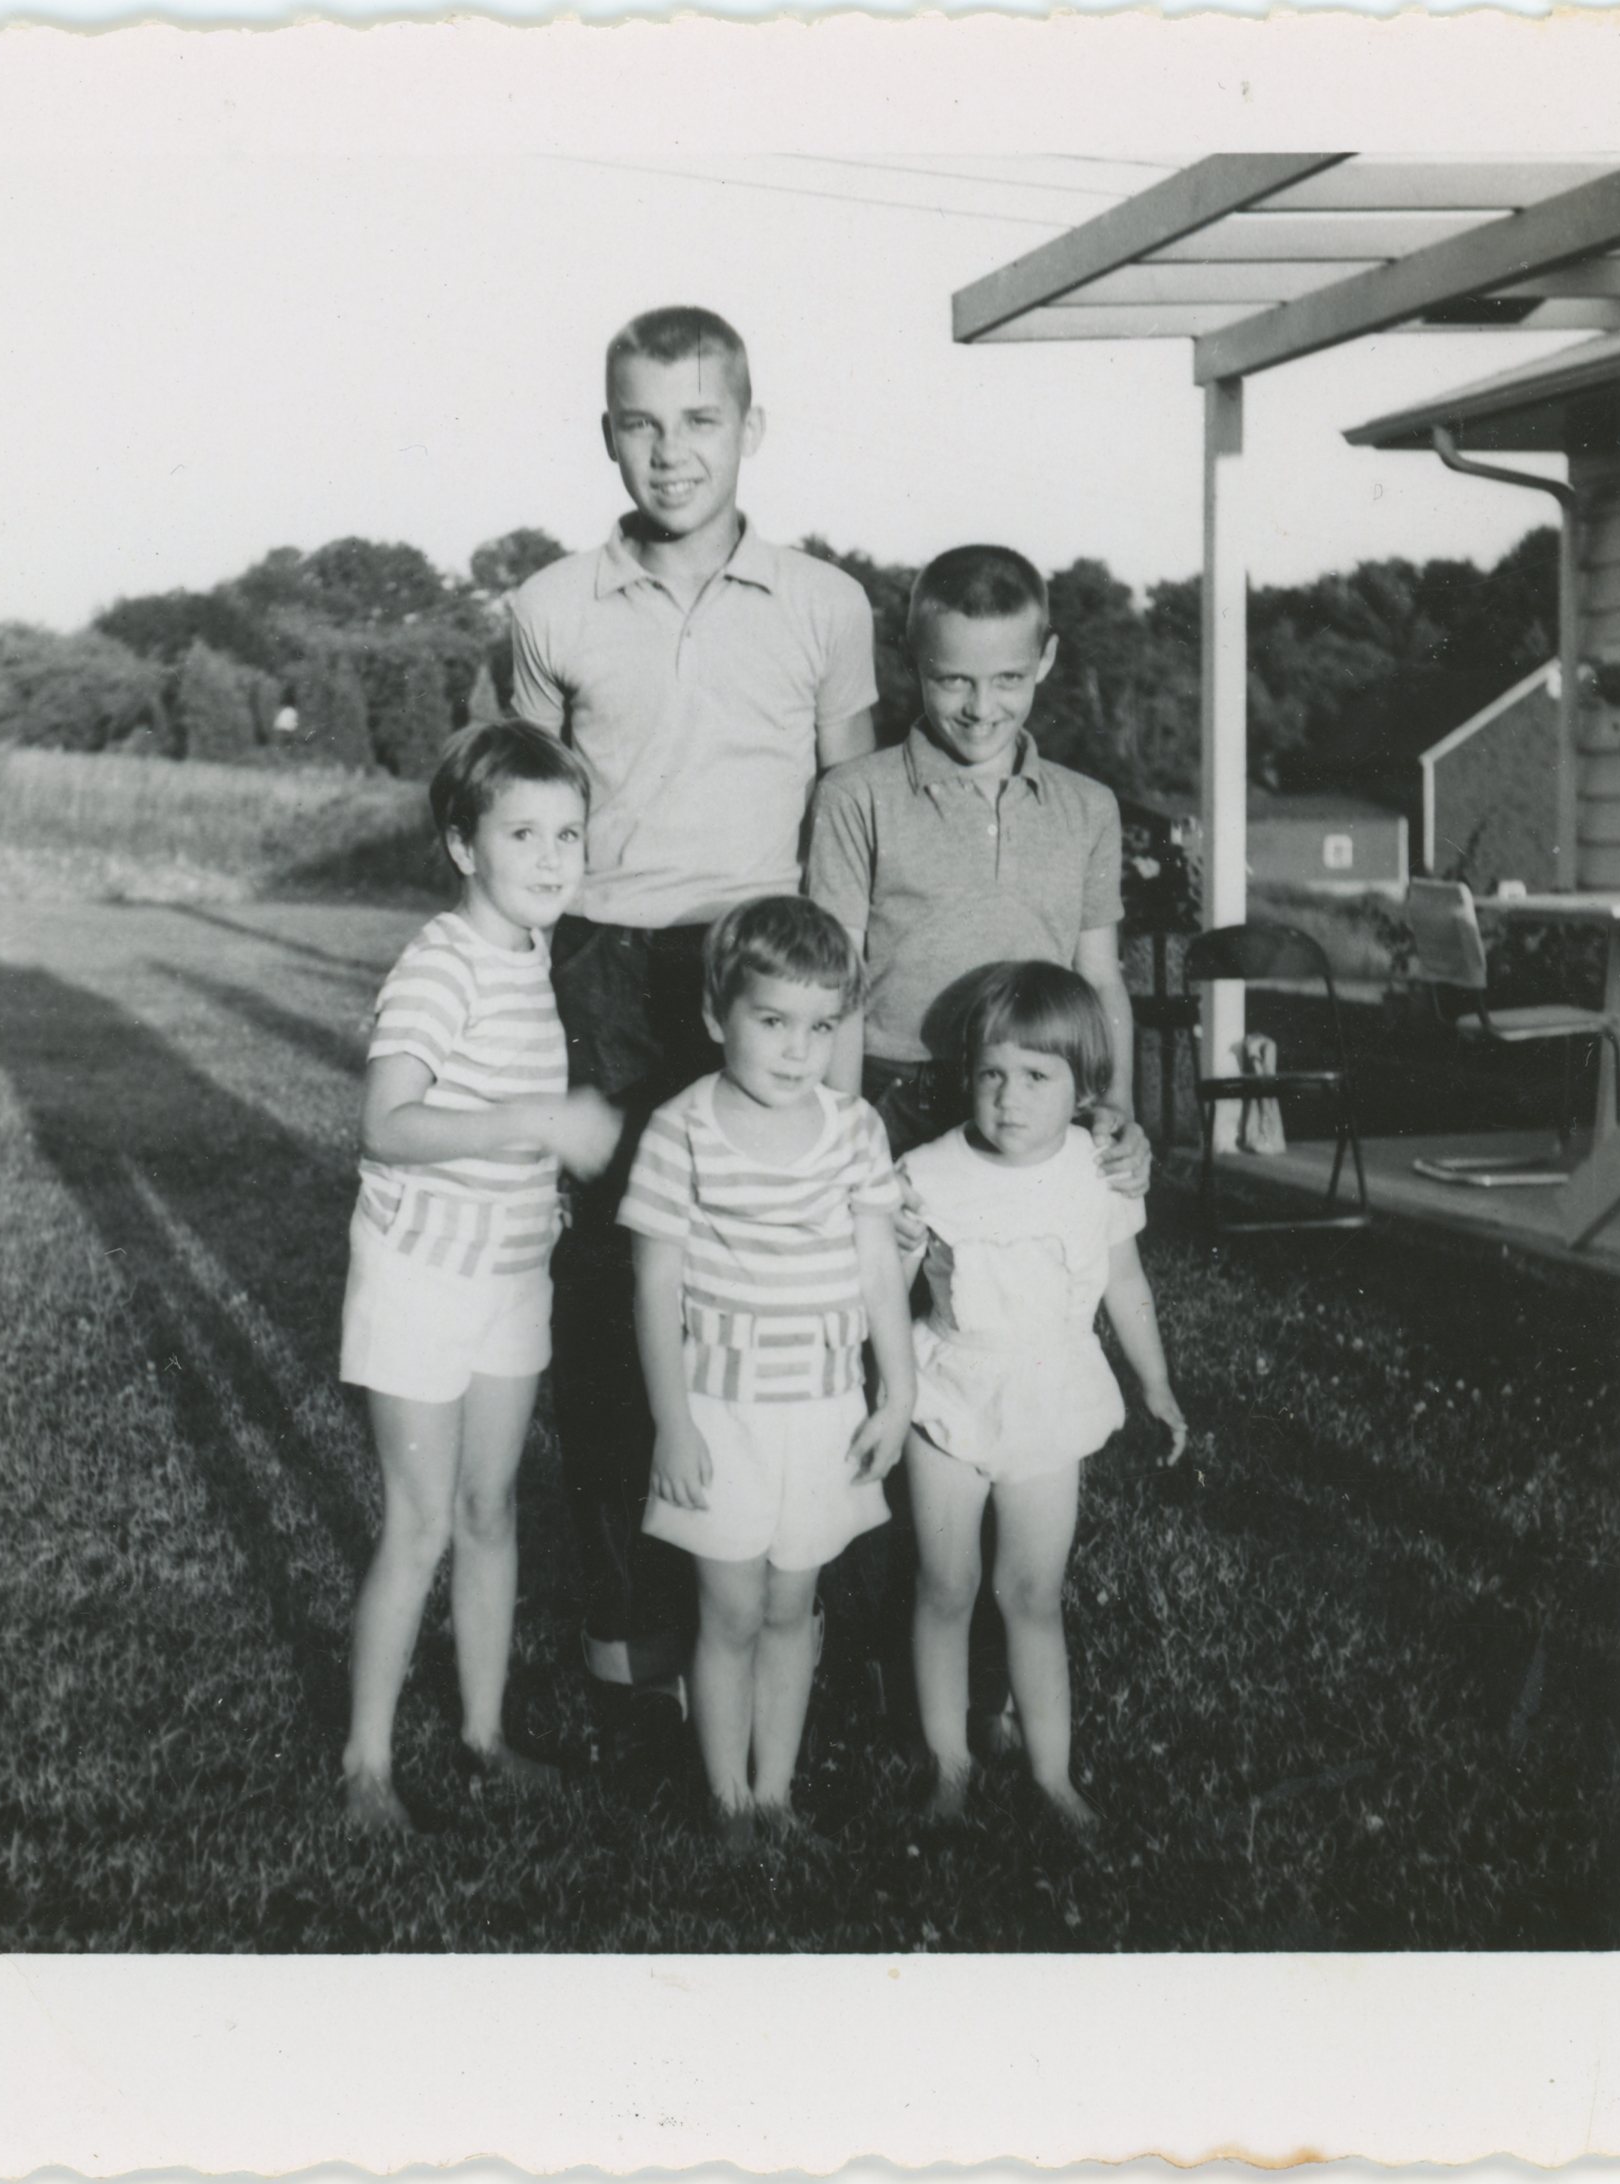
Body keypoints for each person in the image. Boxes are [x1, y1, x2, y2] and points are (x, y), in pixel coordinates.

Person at [509, 306, 879, 1695]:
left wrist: (830, 1020)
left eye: (699, 420)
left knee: (778, 1285)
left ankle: (788, 1622)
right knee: (614, 1299)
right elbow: (522, 833)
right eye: (640, 423)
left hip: (763, 962)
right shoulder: (547, 606)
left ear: (750, 427)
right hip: (603, 963)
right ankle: (625, 1640)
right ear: (607, 430)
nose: (670, 453)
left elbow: (848, 823)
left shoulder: (827, 604)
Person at [804, 542, 1151, 1743]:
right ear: (915, 667)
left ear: (1046, 661)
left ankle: (1003, 1684)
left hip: (1035, 1115)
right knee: (897, 1384)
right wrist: (842, 1140)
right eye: (954, 680)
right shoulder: (856, 799)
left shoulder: (1089, 809)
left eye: (1007, 680)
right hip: (901, 1102)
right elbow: (838, 986)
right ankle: (890, 1668)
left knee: (1025, 1372)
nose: (979, 705)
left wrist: (1116, 1110)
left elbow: (1101, 978)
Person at [338, 721, 622, 1834]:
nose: (554, 858)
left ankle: (483, 1735)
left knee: (492, 1508)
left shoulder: (532, 955)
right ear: (463, 847)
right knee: (420, 1524)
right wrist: (534, 1121)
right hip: (418, 1279)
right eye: (523, 834)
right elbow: (385, 1122)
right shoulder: (438, 967)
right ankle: (364, 1765)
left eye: (570, 834)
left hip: (510, 1273)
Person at [619, 898, 914, 1847]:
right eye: (771, 1021)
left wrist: (896, 1392)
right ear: (717, 1017)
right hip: (720, 1410)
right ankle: (726, 1797)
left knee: (794, 1605)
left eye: (821, 1027)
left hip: (823, 1409)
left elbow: (877, 1269)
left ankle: (775, 1791)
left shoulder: (855, 1129)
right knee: (731, 1609)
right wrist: (673, 1422)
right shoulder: (681, 1130)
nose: (797, 1051)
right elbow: (654, 1283)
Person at [899, 962, 1186, 1830]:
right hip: (947, 1391)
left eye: (1036, 1077)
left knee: (1031, 1593)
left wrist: (1157, 1385)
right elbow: (881, 1293)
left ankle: (1052, 1774)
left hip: (1049, 1394)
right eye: (991, 1074)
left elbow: (1124, 1283)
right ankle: (946, 1765)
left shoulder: (1095, 1173)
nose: (1009, 1099)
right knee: (944, 1585)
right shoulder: (926, 1170)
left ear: (1084, 1088)